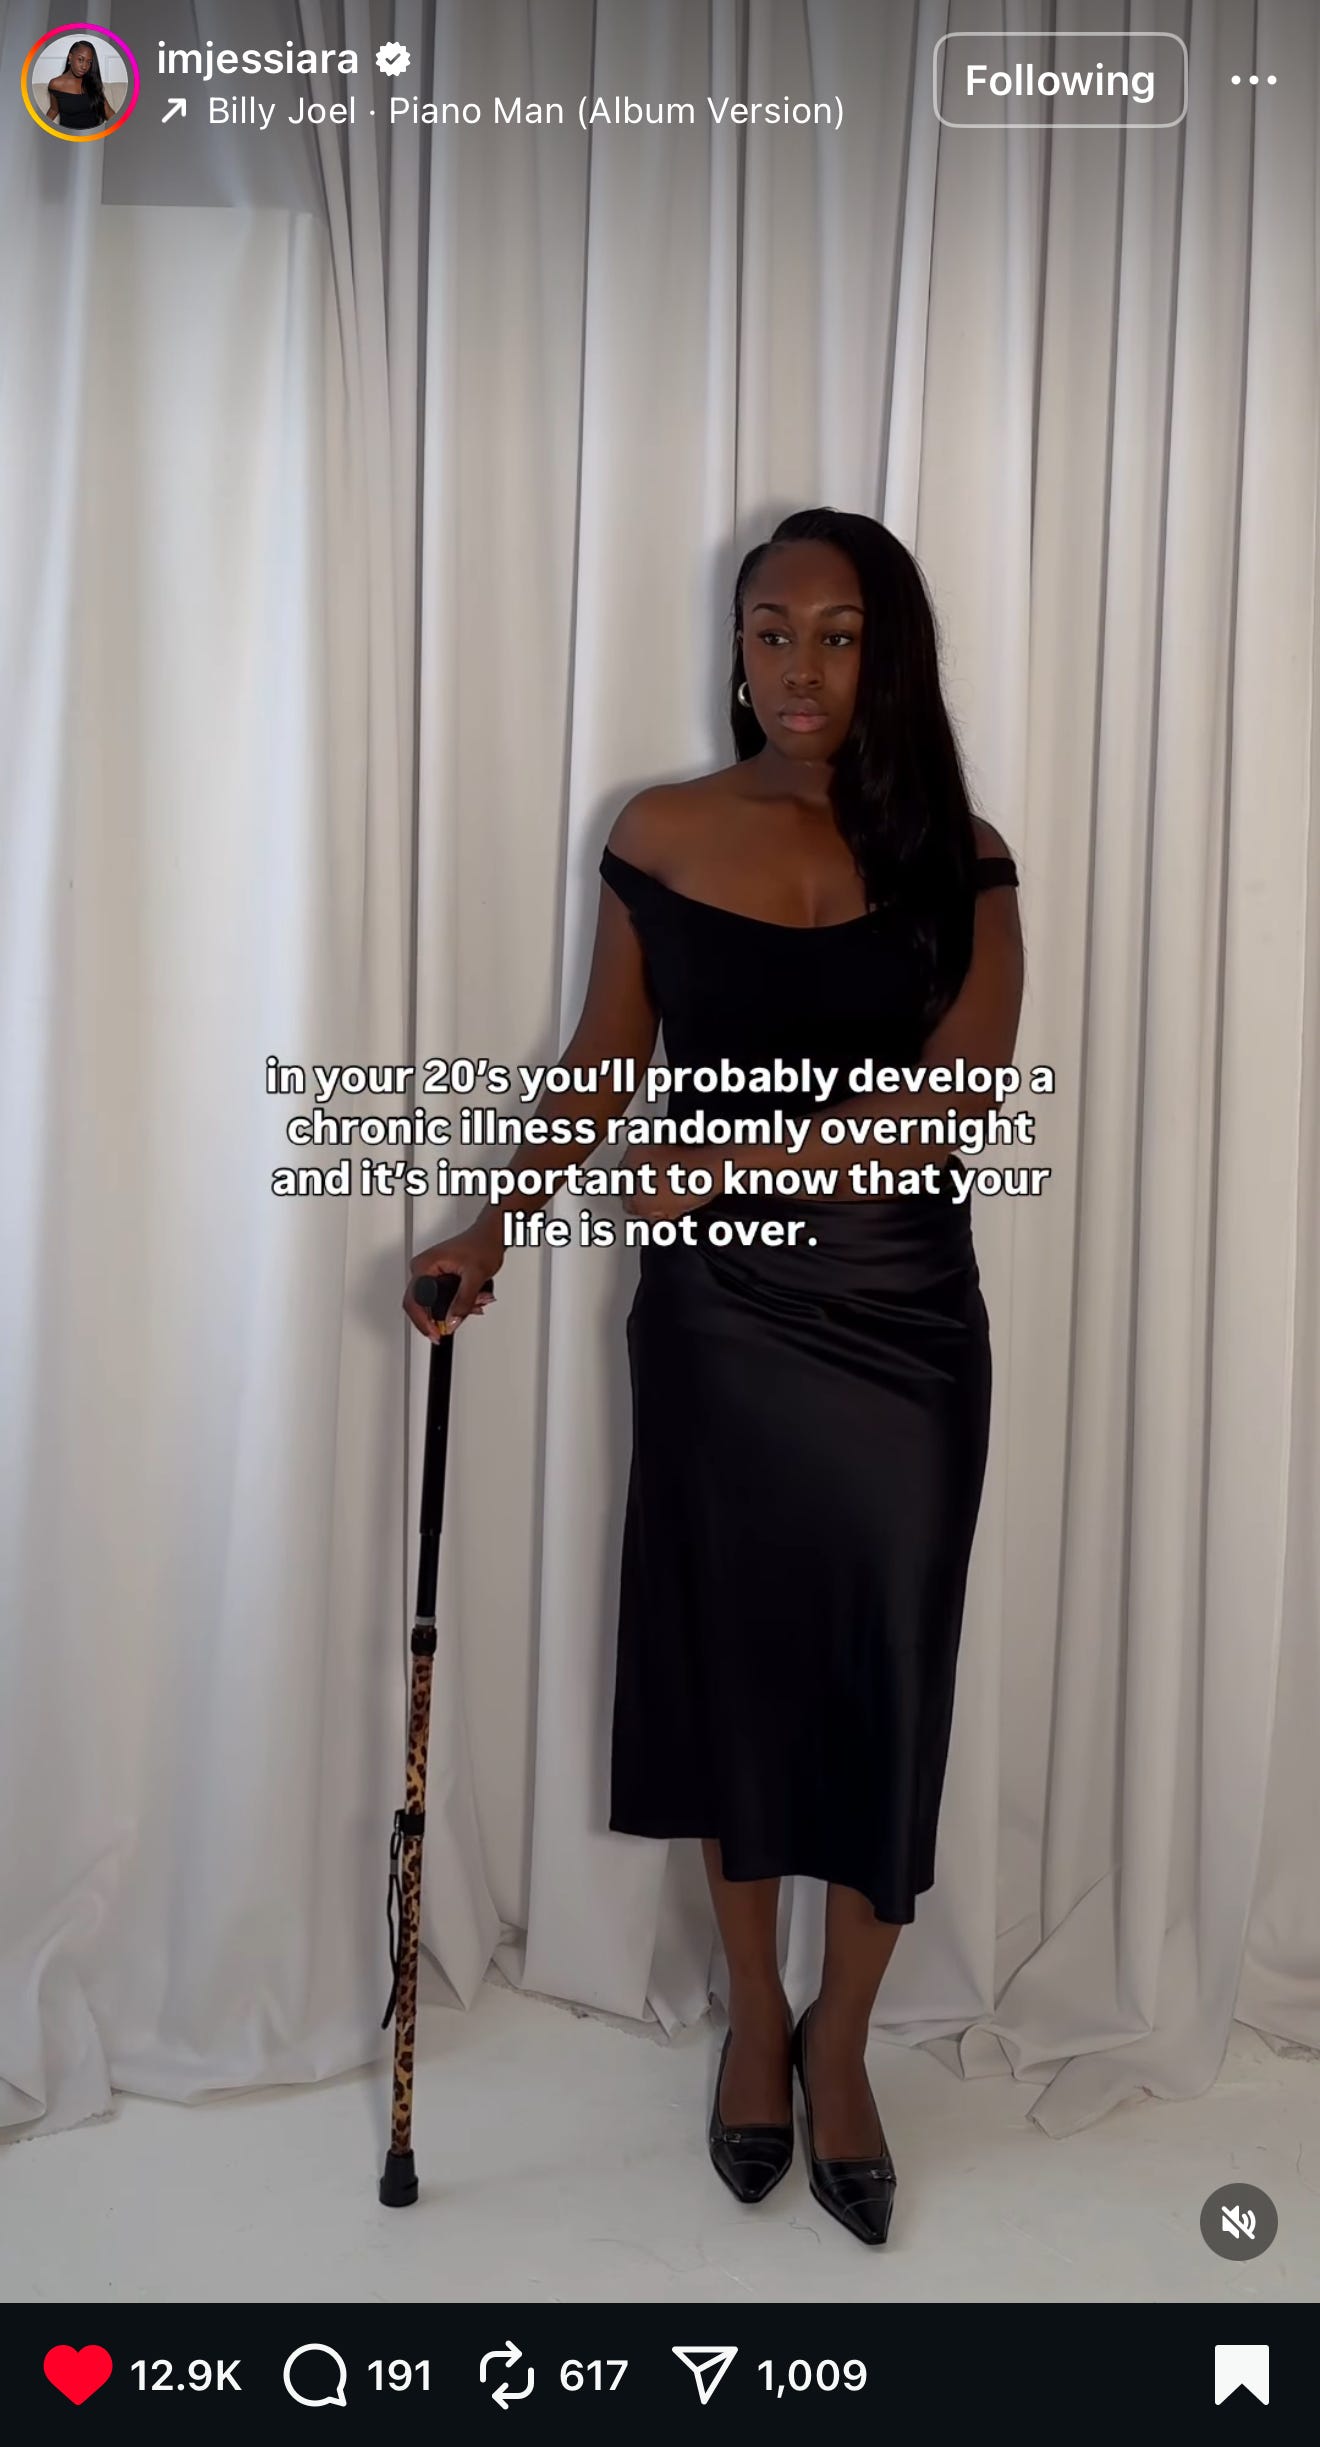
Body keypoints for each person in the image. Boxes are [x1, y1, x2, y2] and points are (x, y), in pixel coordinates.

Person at [403, 507, 1024, 2246]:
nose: (800, 667)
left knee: (887, 1670)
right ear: (737, 647)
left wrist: (732, 1158)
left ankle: (846, 2036)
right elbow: (608, 1056)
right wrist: (497, 1224)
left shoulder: (963, 855)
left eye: (839, 634)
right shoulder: (662, 831)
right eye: (772, 630)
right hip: (718, 1323)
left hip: (903, 1318)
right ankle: (756, 2016)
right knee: (737, 1667)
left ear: (887, 655)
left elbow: (959, 1098)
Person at [45, 40, 114, 130]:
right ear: (70, 57)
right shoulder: (55, 84)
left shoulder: (92, 82)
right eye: (80, 60)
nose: (84, 66)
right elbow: (54, 109)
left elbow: (108, 112)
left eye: (89, 62)